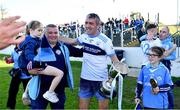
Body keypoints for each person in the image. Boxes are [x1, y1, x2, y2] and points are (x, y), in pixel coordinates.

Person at [59, 13, 120, 109]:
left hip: (101, 81)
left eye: (91, 23)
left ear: (98, 25)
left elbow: (115, 61)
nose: (87, 26)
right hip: (85, 79)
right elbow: (72, 41)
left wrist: (112, 79)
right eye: (86, 23)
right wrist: (55, 37)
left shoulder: (106, 41)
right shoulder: (84, 36)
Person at [28, 24, 83, 109]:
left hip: (58, 90)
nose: (53, 35)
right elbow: (25, 63)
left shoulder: (64, 47)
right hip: (40, 89)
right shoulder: (38, 46)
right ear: (45, 34)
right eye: (50, 33)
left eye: (55, 32)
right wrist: (29, 71)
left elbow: (80, 52)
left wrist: (93, 45)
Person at [18, 20, 64, 104]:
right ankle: (49, 93)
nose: (41, 32)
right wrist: (37, 58)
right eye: (39, 30)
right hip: (36, 64)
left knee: (33, 78)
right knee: (59, 73)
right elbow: (29, 54)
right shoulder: (31, 41)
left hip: (33, 64)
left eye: (42, 30)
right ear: (31, 30)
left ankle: (25, 93)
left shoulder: (33, 39)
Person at [4, 44, 31, 109]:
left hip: (27, 75)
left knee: (29, 92)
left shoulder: (27, 51)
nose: (20, 44)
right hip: (16, 75)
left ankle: (31, 105)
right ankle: (11, 106)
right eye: (18, 42)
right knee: (12, 91)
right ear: (16, 44)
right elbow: (12, 60)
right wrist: (7, 60)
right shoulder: (14, 51)